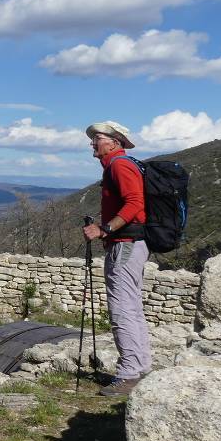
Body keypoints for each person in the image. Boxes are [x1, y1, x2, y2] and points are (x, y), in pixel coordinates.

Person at [82, 120, 152, 397]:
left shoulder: (120, 165)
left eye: (97, 138)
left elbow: (135, 204)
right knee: (132, 306)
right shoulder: (120, 165)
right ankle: (141, 366)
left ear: (115, 141)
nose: (92, 143)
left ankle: (128, 374)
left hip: (126, 244)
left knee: (121, 308)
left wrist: (104, 229)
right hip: (131, 243)